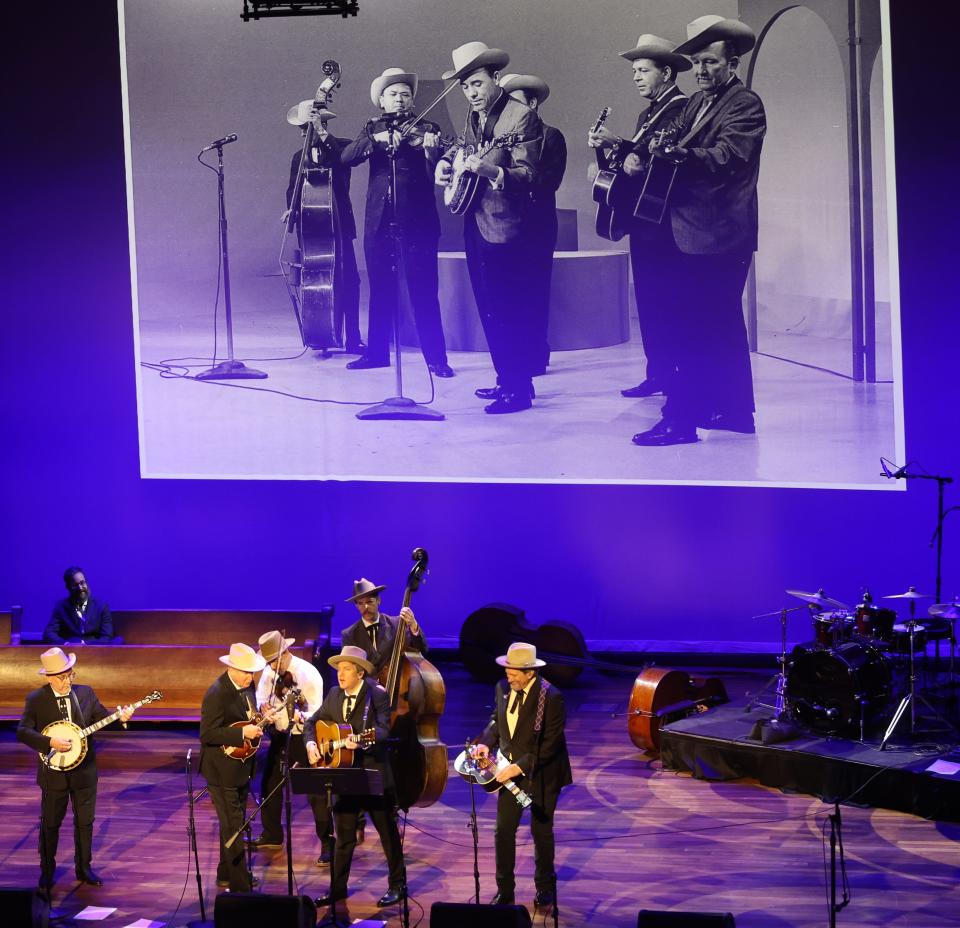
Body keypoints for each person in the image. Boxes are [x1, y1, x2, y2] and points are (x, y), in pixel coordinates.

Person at [632, 15, 766, 446]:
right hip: (696, 231)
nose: (703, 71)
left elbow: (729, 155)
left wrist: (677, 154)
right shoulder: (695, 104)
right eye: (698, 63)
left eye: (711, 62)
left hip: (721, 235)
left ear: (733, 63)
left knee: (690, 326)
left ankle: (680, 420)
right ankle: (734, 413)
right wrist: (649, 150)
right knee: (720, 325)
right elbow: (671, 140)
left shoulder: (745, 104)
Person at [435, 42, 544, 414]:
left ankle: (519, 388)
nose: (472, 93)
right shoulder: (474, 115)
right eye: (466, 87)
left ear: (496, 78)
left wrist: (493, 172)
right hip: (474, 222)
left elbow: (530, 174)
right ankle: (507, 379)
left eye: (478, 84)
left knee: (507, 307)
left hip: (505, 226)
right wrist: (447, 164)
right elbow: (465, 148)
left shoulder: (521, 117)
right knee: (489, 307)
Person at [587, 35, 691, 400]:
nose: (636, 77)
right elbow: (633, 166)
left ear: (666, 72)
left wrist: (621, 144)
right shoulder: (647, 114)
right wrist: (608, 153)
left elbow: (660, 160)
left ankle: (672, 377)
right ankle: (657, 374)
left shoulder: (681, 108)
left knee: (665, 302)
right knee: (648, 301)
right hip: (643, 221)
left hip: (664, 224)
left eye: (643, 70)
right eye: (634, 70)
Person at [340, 68, 454, 378]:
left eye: (405, 94)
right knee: (380, 290)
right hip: (378, 223)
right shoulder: (371, 128)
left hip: (418, 221)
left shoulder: (428, 128)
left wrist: (431, 149)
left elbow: (442, 164)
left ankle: (437, 359)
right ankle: (376, 354)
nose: (400, 99)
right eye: (393, 94)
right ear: (381, 101)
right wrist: (375, 142)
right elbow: (347, 157)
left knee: (424, 290)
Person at [16, 647, 135, 890]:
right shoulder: (36, 699)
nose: (68, 680)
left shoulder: (85, 693)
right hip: (54, 773)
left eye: (70, 674)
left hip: (84, 772)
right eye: (62, 676)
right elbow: (22, 731)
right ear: (49, 677)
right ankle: (47, 870)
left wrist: (120, 719)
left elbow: (103, 720)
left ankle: (84, 868)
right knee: (51, 823)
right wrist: (49, 742)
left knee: (85, 822)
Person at [470, 642, 571, 910]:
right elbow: (496, 720)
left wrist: (518, 767)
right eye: (507, 670)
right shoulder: (503, 687)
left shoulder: (551, 697)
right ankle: (505, 891)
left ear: (530, 673)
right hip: (509, 770)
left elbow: (550, 745)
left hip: (542, 774)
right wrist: (485, 742)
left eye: (514, 672)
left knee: (541, 831)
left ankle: (545, 888)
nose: (508, 675)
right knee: (503, 831)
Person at [308, 646, 406, 908]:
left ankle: (398, 885)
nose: (340, 674)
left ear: (360, 673)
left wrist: (362, 743)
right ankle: (337, 889)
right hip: (344, 776)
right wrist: (310, 744)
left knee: (387, 834)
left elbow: (384, 730)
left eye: (346, 669)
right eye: (339, 669)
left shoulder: (376, 695)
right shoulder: (333, 694)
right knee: (344, 837)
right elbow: (312, 724)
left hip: (373, 774)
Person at [499, 73, 567, 377]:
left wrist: (508, 176)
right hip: (507, 223)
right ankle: (517, 360)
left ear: (533, 103)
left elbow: (549, 181)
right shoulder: (502, 134)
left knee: (535, 290)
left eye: (516, 102)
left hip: (537, 223)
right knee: (511, 293)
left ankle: (536, 356)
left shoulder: (552, 136)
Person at [284, 99, 364, 353]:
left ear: (323, 124)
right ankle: (322, 334)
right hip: (312, 231)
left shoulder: (340, 148)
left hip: (340, 226)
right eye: (302, 129)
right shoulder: (299, 157)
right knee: (318, 281)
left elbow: (343, 163)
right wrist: (292, 210)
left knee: (350, 281)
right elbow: (292, 190)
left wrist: (320, 132)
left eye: (309, 127)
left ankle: (353, 338)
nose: (303, 134)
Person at [248, 630, 334, 865]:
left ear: (286, 652)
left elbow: (316, 713)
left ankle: (328, 842)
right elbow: (260, 699)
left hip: (304, 738)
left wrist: (299, 716)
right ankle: (272, 834)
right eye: (269, 663)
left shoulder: (308, 674)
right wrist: (263, 708)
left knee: (315, 792)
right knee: (270, 784)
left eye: (275, 660)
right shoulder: (268, 673)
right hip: (279, 736)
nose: (273, 667)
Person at [199, 642, 271, 893]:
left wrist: (262, 720)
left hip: (240, 767)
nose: (250, 677)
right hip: (221, 771)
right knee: (234, 825)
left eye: (252, 672)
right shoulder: (217, 693)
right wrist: (242, 732)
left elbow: (249, 720)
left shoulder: (245, 688)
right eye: (246, 672)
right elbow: (207, 734)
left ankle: (225, 873)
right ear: (231, 668)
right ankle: (241, 887)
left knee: (232, 822)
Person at [340, 577, 427, 676]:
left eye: (369, 602)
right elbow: (349, 670)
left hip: (397, 688)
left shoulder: (397, 624)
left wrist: (413, 625)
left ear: (378, 600)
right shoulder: (349, 634)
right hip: (367, 690)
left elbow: (421, 651)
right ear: (356, 606)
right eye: (361, 603)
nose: (365, 607)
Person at [44, 566, 119, 644]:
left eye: (82, 583)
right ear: (68, 587)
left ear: (86, 583)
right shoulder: (61, 607)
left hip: (94, 650)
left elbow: (107, 637)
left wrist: (85, 645)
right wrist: (66, 644)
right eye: (75, 585)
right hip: (70, 651)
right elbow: (48, 634)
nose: (80, 588)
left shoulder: (101, 606)